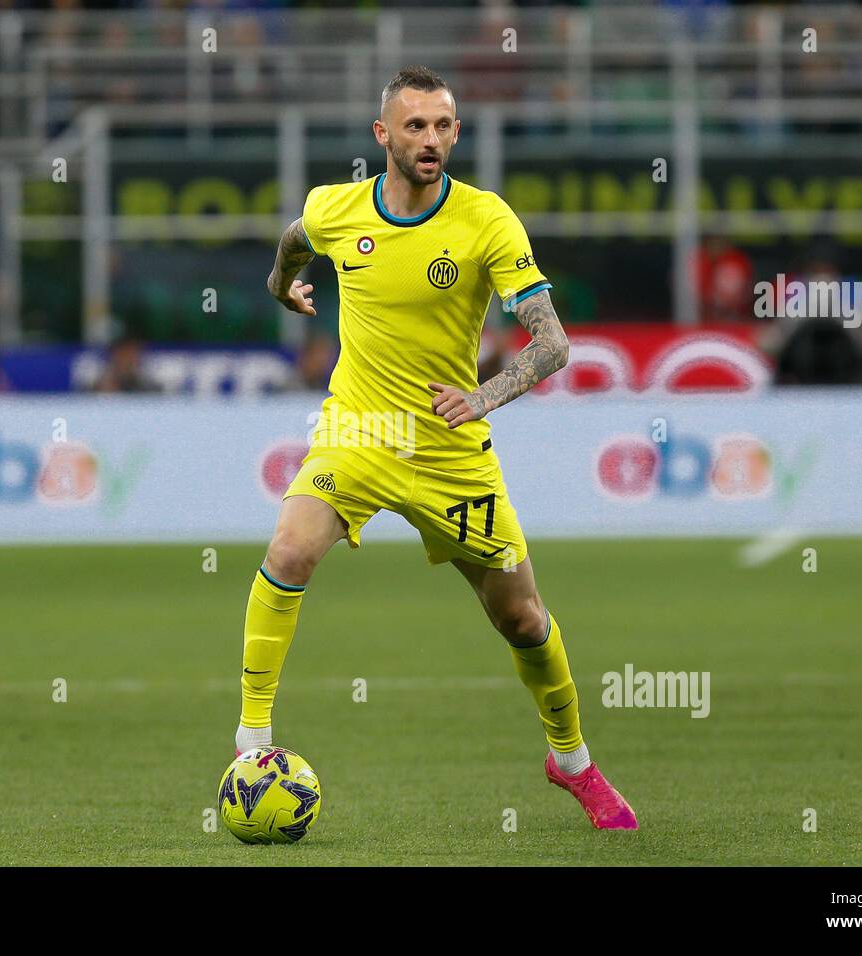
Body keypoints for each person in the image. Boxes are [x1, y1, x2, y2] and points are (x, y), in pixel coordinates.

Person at [236, 66, 637, 831]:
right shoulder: (337, 208)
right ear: (382, 135)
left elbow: (552, 345)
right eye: (415, 126)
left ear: (456, 132)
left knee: (521, 619)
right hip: (359, 429)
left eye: (443, 126)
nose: (431, 140)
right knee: (288, 552)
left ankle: (573, 761)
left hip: (450, 449)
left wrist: (481, 398)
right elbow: (293, 242)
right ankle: (252, 743)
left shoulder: (486, 221)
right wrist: (280, 285)